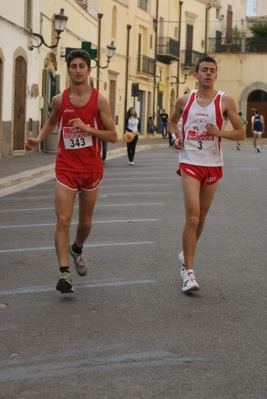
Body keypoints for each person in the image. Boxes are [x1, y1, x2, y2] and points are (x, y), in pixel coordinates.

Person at [25, 49, 117, 293]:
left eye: (81, 66)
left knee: (85, 223)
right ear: (68, 70)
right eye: (73, 66)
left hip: (91, 169)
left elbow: (113, 135)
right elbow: (52, 121)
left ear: (88, 69)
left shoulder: (99, 100)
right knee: (63, 219)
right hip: (66, 167)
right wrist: (38, 138)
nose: (77, 70)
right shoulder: (59, 99)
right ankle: (64, 273)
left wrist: (88, 128)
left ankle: (77, 248)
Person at [168, 55, 245, 293]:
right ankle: (188, 272)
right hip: (190, 162)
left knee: (201, 219)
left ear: (216, 75)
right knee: (192, 217)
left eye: (212, 70)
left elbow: (242, 133)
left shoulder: (225, 101)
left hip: (213, 165)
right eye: (204, 69)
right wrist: (175, 138)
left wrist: (220, 133)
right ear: (196, 74)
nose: (208, 73)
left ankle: (186, 253)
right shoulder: (185, 100)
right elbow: (172, 122)